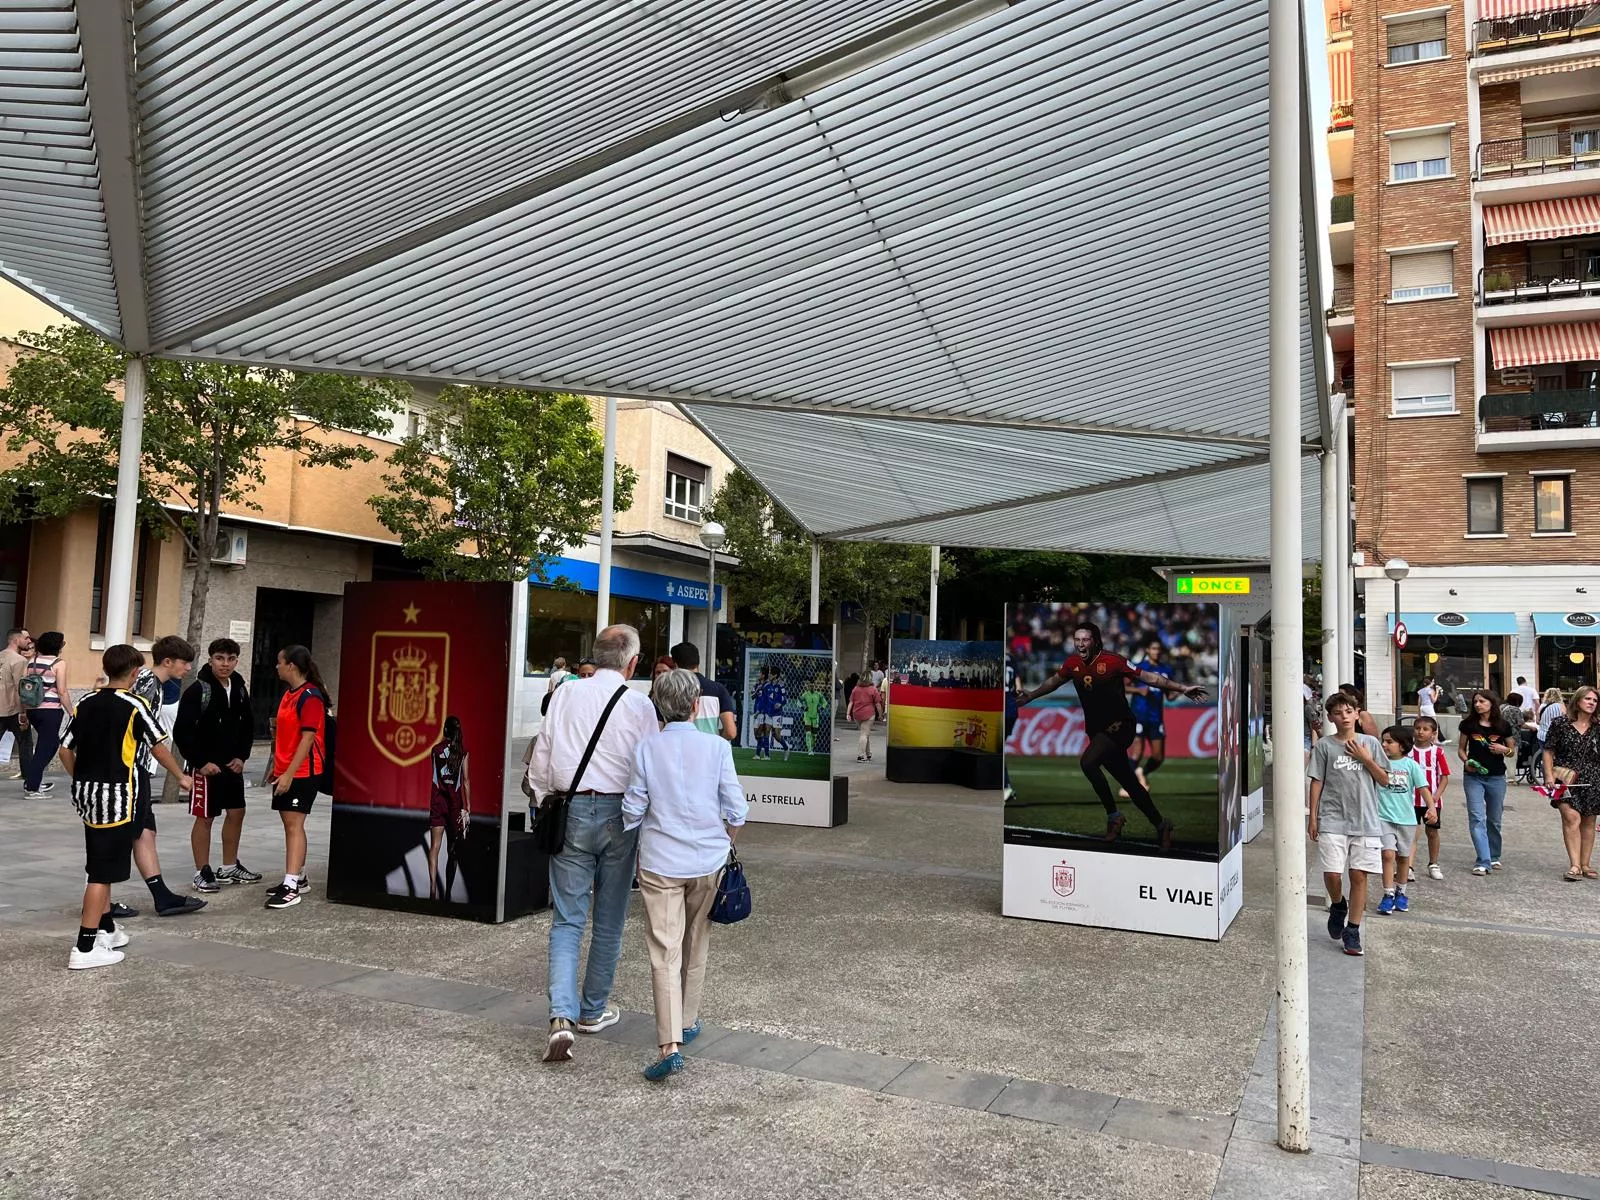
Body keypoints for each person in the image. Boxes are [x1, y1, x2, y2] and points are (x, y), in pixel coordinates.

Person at [526, 624, 659, 1064]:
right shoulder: (640, 706)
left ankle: (560, 1017)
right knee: (609, 917)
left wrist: (545, 799)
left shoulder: (564, 693)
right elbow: (649, 769)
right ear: (632, 662)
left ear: (595, 656)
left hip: (571, 810)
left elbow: (542, 755)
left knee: (567, 919)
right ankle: (592, 1010)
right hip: (620, 816)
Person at [622, 669, 748, 1081]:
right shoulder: (716, 749)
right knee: (696, 940)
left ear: (659, 705)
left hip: (660, 861)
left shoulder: (645, 749)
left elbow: (633, 808)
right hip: (707, 861)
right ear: (697, 705)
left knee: (664, 949)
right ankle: (688, 1018)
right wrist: (724, 838)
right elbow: (737, 808)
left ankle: (668, 1043)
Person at [58, 644, 191, 969]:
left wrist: (83, 778)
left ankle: (106, 929)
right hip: (118, 798)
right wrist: (181, 776)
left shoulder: (86, 701)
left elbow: (64, 749)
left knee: (99, 863)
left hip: (87, 797)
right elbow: (158, 747)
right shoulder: (135, 705)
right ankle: (85, 946)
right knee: (101, 874)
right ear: (134, 673)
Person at [1017, 621, 1207, 850]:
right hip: (1097, 731)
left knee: (1088, 762)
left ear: (1095, 641)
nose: (1080, 644)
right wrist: (1031, 695)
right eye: (1077, 640)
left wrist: (1182, 688)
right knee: (1129, 783)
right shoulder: (1072, 664)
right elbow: (1054, 682)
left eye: (1085, 640)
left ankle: (1113, 816)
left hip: (1121, 726)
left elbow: (1149, 677)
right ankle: (1161, 824)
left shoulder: (1113, 661)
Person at [124, 636, 207, 916]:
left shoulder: (154, 683)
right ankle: (99, 899)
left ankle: (161, 895)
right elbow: (145, 733)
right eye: (185, 663)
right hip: (130, 769)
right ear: (168, 661)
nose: (187, 669)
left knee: (145, 830)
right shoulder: (149, 684)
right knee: (121, 833)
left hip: (136, 769)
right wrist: (179, 773)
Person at [1307, 692, 1388, 957]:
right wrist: (1313, 816)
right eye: (1338, 713)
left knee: (1359, 874)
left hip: (1365, 820)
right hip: (1332, 818)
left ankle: (1352, 929)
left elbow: (1385, 780)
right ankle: (1338, 903)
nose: (1344, 717)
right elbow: (1317, 780)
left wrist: (1366, 759)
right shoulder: (1325, 746)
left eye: (1348, 711)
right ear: (1330, 717)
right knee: (1332, 873)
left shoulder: (1370, 743)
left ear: (1357, 713)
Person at [176, 638, 260, 893]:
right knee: (205, 817)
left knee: (237, 813)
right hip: (205, 767)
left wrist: (242, 757)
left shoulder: (240, 688)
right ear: (210, 659)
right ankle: (202, 871)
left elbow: (247, 725)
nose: (225, 664)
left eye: (231, 658)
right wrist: (200, 762)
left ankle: (229, 866)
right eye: (220, 658)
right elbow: (182, 732)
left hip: (231, 765)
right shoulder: (198, 690)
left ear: (237, 660)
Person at [264, 644, 331, 910]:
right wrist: (278, 768)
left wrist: (290, 773)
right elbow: (286, 736)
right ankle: (298, 877)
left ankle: (291, 885)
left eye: (279, 662)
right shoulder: (289, 694)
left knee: (294, 825)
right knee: (291, 825)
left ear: (291, 665)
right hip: (286, 770)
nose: (276, 666)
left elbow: (308, 737)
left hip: (303, 771)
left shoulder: (311, 696)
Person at [1542, 685, 1600, 883]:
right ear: (1578, 700)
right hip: (1563, 778)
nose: (1592, 703)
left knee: (1589, 821)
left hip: (1593, 779)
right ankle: (1574, 865)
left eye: (1595, 700)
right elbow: (1548, 750)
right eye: (1588, 699)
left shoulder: (1598, 726)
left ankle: (1585, 864)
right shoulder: (1560, 723)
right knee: (1571, 817)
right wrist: (1548, 775)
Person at [1458, 689, 1517, 877]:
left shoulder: (1503, 725)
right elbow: (1461, 749)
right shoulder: (1468, 724)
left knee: (1494, 819)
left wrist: (1503, 749)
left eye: (1482, 701)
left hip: (1496, 776)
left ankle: (1493, 855)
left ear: (1492, 703)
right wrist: (1466, 762)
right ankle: (1483, 860)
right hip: (1473, 776)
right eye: (1475, 701)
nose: (1477, 704)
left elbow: (1511, 751)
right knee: (1476, 817)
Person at [1376, 725, 1428, 915]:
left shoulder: (1411, 765)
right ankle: (1388, 894)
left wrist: (1431, 808)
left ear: (1403, 745)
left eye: (1389, 741)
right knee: (1387, 854)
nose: (1384, 745)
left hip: (1407, 819)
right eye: (1383, 741)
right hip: (1383, 817)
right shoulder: (1378, 763)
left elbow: (1423, 788)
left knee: (1403, 857)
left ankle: (1401, 892)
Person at [22, 632, 75, 799]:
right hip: (50, 710)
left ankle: (33, 778)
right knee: (45, 747)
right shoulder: (59, 663)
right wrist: (72, 711)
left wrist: (23, 711)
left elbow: (24, 687)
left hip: (33, 709)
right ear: (57, 646)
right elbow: (62, 691)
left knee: (51, 744)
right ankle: (32, 787)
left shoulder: (32, 662)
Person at [427, 715, 471, 901]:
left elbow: (435, 776)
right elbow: (466, 781)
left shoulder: (435, 751)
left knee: (434, 846)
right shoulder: (462, 751)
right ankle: (448, 894)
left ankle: (432, 891)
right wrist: (468, 806)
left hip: (438, 803)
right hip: (455, 805)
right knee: (452, 850)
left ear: (444, 730)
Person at [1127, 639, 1173, 794]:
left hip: (1156, 717)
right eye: (1154, 648)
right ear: (1148, 650)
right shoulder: (1139, 668)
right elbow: (1122, 686)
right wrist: (1138, 691)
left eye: (1159, 649)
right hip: (1138, 714)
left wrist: (1179, 691)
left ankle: (1142, 772)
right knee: (1137, 752)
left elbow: (1169, 695)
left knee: (1158, 757)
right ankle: (1128, 785)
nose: (1157, 651)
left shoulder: (1166, 669)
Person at [1408, 715, 1450, 880]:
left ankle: (1433, 863)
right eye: (1418, 728)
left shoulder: (1437, 752)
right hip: (1410, 799)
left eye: (1425, 729)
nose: (1420, 732)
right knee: (1411, 833)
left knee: (1432, 832)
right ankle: (1409, 866)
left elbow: (1444, 777)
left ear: (1433, 733)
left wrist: (1435, 797)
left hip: (1432, 800)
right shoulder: (1408, 751)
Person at [669, 641, 736, 741]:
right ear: (697, 662)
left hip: (680, 750)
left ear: (676, 665)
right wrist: (713, 740)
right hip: (709, 753)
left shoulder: (670, 690)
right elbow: (730, 732)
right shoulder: (718, 690)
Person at [1, 627, 33, 781]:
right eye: (26, 638)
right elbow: (22, 689)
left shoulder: (1, 656)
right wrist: (23, 712)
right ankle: (30, 780)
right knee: (25, 743)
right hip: (13, 709)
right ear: (16, 639)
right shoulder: (19, 661)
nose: (29, 641)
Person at [849, 674, 883, 762]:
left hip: (857, 714)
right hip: (869, 714)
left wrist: (848, 713)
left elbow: (851, 702)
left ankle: (868, 753)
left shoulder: (856, 688)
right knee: (864, 734)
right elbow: (878, 704)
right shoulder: (873, 689)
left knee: (865, 733)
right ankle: (860, 756)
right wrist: (880, 714)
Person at [1536, 687, 1567, 782]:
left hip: (1542, 734)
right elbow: (1565, 720)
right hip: (1556, 735)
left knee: (1546, 757)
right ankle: (1557, 778)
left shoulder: (1542, 706)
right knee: (1558, 758)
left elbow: (1537, 721)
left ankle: (1546, 778)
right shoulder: (1561, 706)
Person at [799, 678, 827, 754]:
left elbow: (825, 702)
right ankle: (809, 750)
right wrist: (803, 707)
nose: (811, 687)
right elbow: (799, 702)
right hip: (807, 716)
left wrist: (821, 709)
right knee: (808, 733)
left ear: (815, 686)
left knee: (814, 735)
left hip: (815, 717)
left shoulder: (818, 695)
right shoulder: (805, 694)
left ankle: (812, 748)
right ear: (808, 687)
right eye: (810, 686)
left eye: (813, 686)